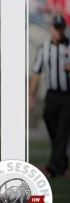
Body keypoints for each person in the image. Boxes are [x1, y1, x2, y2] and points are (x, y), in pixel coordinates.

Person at [29, 13, 70, 178]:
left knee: (62, 131)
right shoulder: (44, 47)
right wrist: (31, 95)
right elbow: (36, 73)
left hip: (68, 96)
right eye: (56, 27)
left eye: (61, 27)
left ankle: (53, 165)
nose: (58, 31)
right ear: (51, 28)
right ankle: (62, 159)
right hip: (51, 95)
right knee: (52, 127)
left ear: (64, 28)